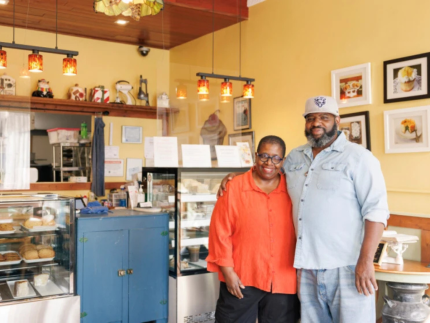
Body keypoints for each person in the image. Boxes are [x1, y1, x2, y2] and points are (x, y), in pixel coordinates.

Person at [218, 96, 389, 323]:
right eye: (311, 118)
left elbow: (376, 212)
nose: (316, 123)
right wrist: (236, 178)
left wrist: (366, 262)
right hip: (305, 268)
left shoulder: (360, 158)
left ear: (337, 120)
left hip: (347, 267)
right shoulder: (296, 157)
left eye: (324, 118)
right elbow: (268, 170)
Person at [207, 136, 300, 323]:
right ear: (255, 156)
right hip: (242, 277)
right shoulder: (234, 187)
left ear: (282, 161)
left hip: (283, 279)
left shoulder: (293, 188)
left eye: (276, 158)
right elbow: (220, 233)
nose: (269, 162)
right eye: (264, 156)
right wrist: (228, 272)